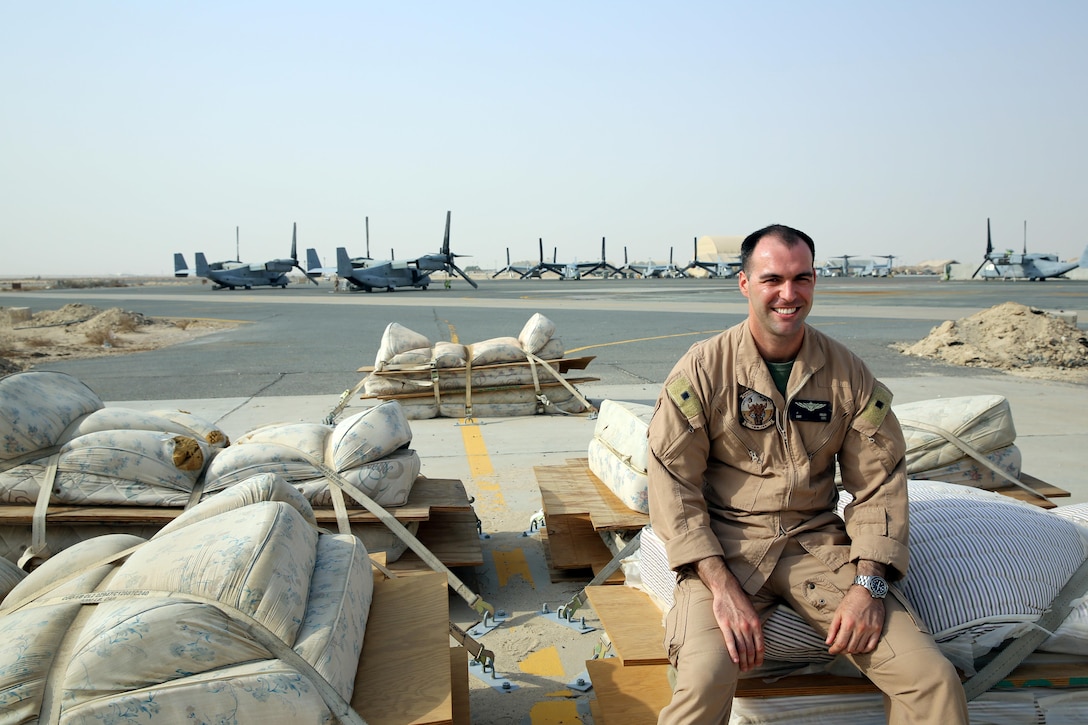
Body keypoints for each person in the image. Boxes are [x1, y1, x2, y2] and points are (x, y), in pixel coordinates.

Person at [647, 224, 969, 724]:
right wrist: (721, 587)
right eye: (773, 278)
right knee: (702, 685)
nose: (788, 294)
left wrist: (869, 586)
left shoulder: (847, 374)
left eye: (802, 279)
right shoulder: (703, 369)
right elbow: (672, 482)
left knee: (931, 681)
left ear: (815, 282)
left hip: (815, 545)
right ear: (744, 283)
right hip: (724, 550)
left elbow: (880, 485)